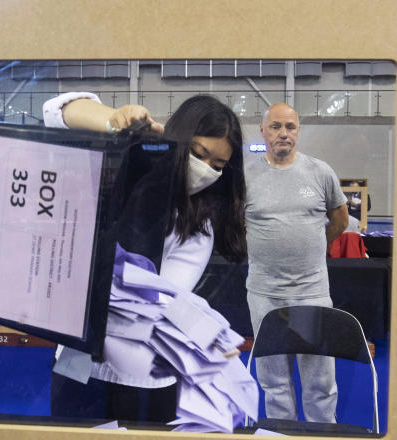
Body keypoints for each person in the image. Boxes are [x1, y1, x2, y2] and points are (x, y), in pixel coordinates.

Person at [43, 92, 246, 423]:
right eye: (198, 153)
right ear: (179, 140)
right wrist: (115, 120)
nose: (205, 170)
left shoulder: (199, 223)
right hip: (78, 357)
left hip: (144, 373)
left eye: (218, 165)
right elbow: (56, 111)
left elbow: (155, 298)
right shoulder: (127, 165)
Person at [244, 103, 349, 423]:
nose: (283, 134)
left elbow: (340, 221)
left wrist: (310, 248)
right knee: (274, 381)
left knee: (319, 381)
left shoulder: (320, 172)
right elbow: (235, 224)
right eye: (275, 127)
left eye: (290, 127)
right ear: (263, 131)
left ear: (298, 131)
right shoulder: (245, 176)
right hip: (264, 294)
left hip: (310, 293)